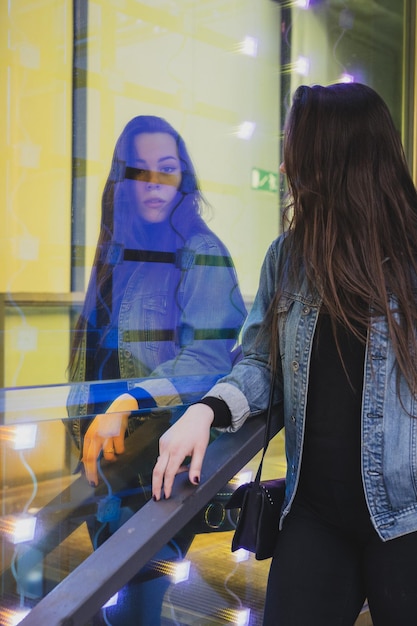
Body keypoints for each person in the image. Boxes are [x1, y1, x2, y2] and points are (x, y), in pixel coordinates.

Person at [152, 83, 417, 626]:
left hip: (408, 517)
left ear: (333, 156)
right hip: (314, 516)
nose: (284, 162)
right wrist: (206, 409)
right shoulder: (289, 257)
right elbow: (259, 363)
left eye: (295, 146)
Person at [66, 115, 246, 624]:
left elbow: (209, 358)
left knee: (132, 606)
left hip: (159, 461)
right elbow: (91, 356)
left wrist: (130, 400)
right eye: (139, 171)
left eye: (166, 169)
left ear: (182, 176)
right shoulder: (119, 253)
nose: (153, 183)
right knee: (117, 607)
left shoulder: (200, 251)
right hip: (106, 460)